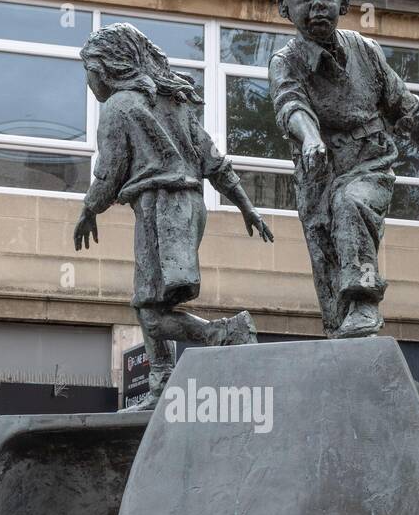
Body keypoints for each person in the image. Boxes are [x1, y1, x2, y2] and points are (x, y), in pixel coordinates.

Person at [73, 21, 274, 408]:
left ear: (107, 69)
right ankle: (161, 382)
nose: (89, 82)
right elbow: (212, 159)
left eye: (90, 72)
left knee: (149, 310)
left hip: (161, 208)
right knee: (149, 304)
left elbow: (110, 170)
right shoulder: (174, 102)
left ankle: (225, 333)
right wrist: (246, 205)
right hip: (189, 208)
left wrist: (89, 208)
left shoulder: (120, 106)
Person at [268, 0, 419, 337]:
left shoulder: (365, 50)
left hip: (368, 162)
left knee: (351, 204)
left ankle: (365, 302)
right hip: (318, 175)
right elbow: (291, 106)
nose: (317, 4)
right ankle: (344, 334)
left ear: (343, 0)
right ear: (284, 5)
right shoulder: (285, 61)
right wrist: (310, 140)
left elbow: (404, 109)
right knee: (326, 264)